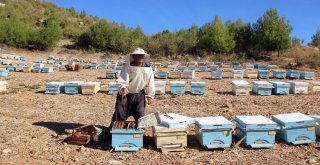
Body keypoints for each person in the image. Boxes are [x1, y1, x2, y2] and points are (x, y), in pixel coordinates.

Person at [109, 48, 155, 128]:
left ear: (144, 57)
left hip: (139, 95)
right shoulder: (127, 66)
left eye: (141, 55)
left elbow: (151, 82)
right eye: (137, 55)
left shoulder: (148, 68)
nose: (140, 57)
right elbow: (122, 79)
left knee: (140, 115)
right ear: (133, 56)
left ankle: (139, 135)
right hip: (125, 95)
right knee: (119, 113)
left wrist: (150, 95)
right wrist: (123, 87)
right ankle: (113, 133)